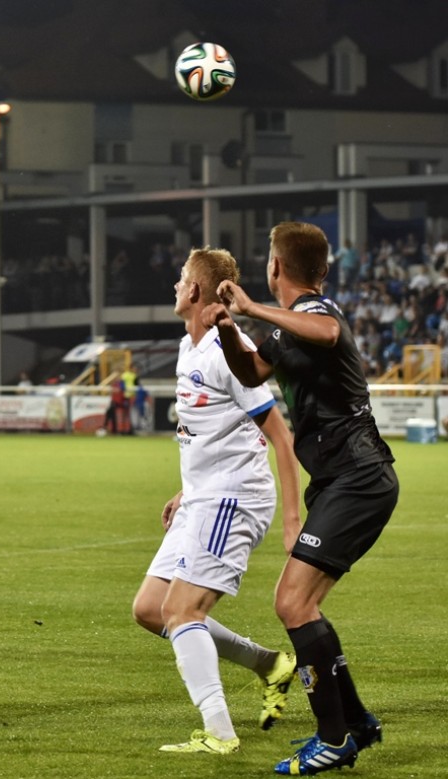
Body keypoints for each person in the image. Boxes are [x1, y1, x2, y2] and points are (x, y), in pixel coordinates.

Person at [203, 221, 396, 775]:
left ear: (275, 268)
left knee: (292, 602)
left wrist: (251, 309)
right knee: (302, 604)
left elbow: (329, 333)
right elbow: (252, 371)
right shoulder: (288, 331)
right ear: (323, 267)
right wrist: (228, 330)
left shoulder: (316, 311)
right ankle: (354, 722)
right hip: (344, 480)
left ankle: (333, 738)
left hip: (357, 477)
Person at [131, 247, 301, 755]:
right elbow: (214, 432)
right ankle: (269, 664)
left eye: (181, 278)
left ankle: (220, 732)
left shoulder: (229, 350)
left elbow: (280, 436)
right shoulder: (190, 347)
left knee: (181, 611)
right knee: (150, 609)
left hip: (233, 497)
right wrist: (186, 490)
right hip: (204, 496)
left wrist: (293, 519)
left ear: (195, 290)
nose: (175, 285)